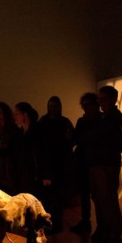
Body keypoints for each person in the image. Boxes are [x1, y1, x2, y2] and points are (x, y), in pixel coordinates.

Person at [84, 85, 122, 243]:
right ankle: (106, 234)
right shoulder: (107, 117)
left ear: (113, 99)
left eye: (103, 99)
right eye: (99, 99)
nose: (100, 102)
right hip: (100, 164)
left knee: (108, 201)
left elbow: (106, 140)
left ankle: (114, 237)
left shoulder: (114, 117)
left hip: (106, 164)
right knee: (101, 200)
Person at [37, 96, 74, 233]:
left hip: (60, 165)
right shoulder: (44, 121)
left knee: (57, 197)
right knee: (47, 197)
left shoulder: (64, 122)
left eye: (55, 106)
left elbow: (70, 141)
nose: (53, 108)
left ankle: (56, 223)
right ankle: (49, 223)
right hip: (48, 164)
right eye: (51, 106)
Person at [70, 92, 101, 234]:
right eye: (84, 105)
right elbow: (75, 139)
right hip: (84, 162)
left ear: (96, 104)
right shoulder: (82, 121)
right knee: (84, 193)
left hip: (95, 162)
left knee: (97, 195)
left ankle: (100, 224)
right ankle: (86, 221)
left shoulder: (101, 120)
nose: (85, 108)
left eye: (87, 105)